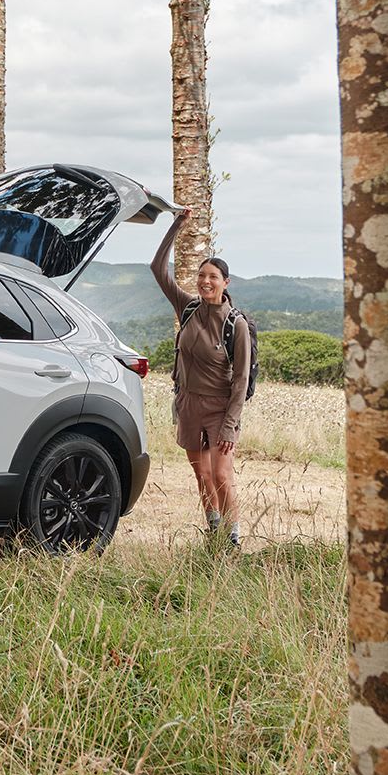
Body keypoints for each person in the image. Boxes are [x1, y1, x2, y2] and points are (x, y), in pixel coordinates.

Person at [150, 208, 254, 549]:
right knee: (201, 475)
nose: (205, 282)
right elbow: (157, 269)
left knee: (221, 475)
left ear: (226, 283)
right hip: (189, 405)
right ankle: (214, 535)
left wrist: (229, 423)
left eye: (213, 277)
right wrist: (175, 227)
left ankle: (233, 540)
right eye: (201, 276)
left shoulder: (235, 324)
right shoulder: (189, 307)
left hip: (221, 409)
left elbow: (240, 380)